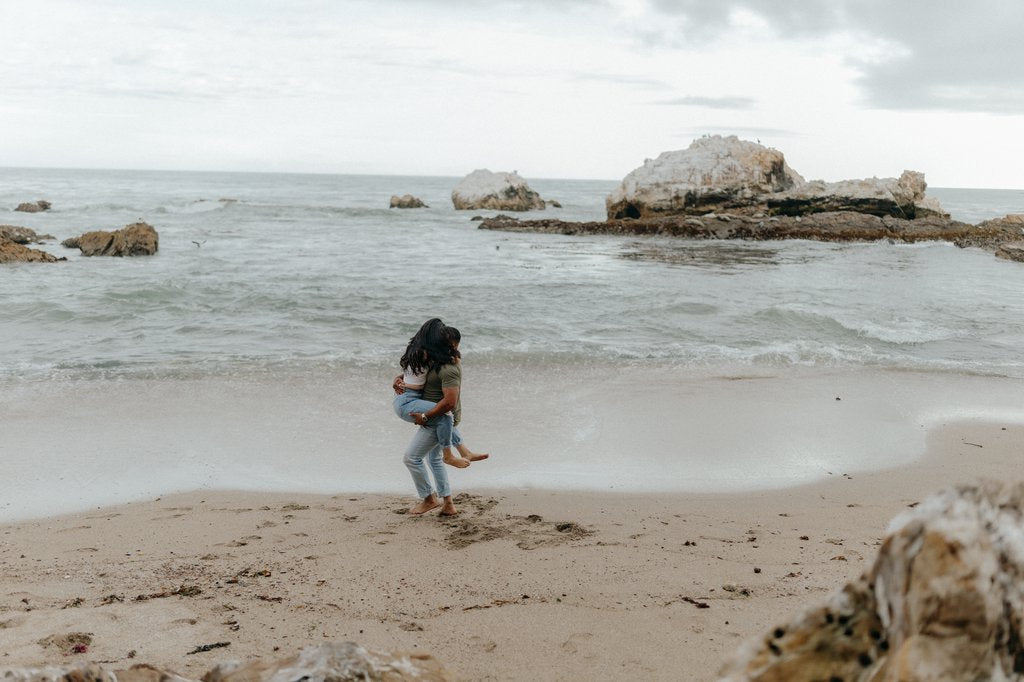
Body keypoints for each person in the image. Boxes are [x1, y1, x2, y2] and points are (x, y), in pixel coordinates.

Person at [393, 319, 486, 516]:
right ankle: (446, 499)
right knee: (430, 458)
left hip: (434, 415)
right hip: (414, 405)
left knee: (415, 458)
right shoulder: (432, 357)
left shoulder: (447, 366)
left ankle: (435, 499)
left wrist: (426, 416)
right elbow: (413, 372)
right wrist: (399, 378)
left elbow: (449, 404)